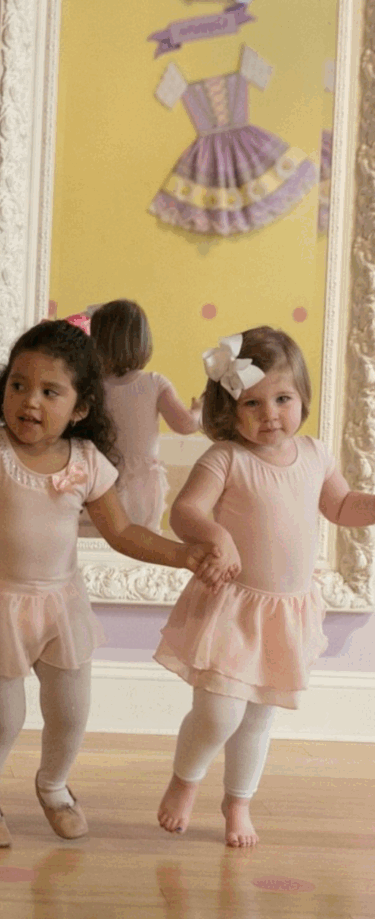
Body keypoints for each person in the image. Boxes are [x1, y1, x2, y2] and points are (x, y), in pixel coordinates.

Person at [0, 320, 219, 848]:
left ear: (81, 407)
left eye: (50, 392)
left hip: (60, 605)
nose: (30, 401)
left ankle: (54, 786)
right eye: (18, 385)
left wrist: (182, 555)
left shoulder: (87, 463)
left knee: (70, 713)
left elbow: (123, 532)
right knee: (3, 720)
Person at [156, 327, 375, 848]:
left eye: (283, 399)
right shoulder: (226, 459)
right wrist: (215, 536)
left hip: (285, 612)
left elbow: (341, 507)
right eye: (252, 403)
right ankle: (185, 781)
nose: (270, 413)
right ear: (229, 409)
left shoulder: (315, 455)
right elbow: (185, 511)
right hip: (233, 608)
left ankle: (238, 803)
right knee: (217, 714)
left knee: (257, 719)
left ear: (302, 398)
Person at [89, 299, 201, 532]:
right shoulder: (154, 383)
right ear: (143, 341)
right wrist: (199, 411)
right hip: (141, 481)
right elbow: (185, 425)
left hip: (100, 474)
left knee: (98, 534)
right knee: (142, 536)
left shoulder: (92, 387)